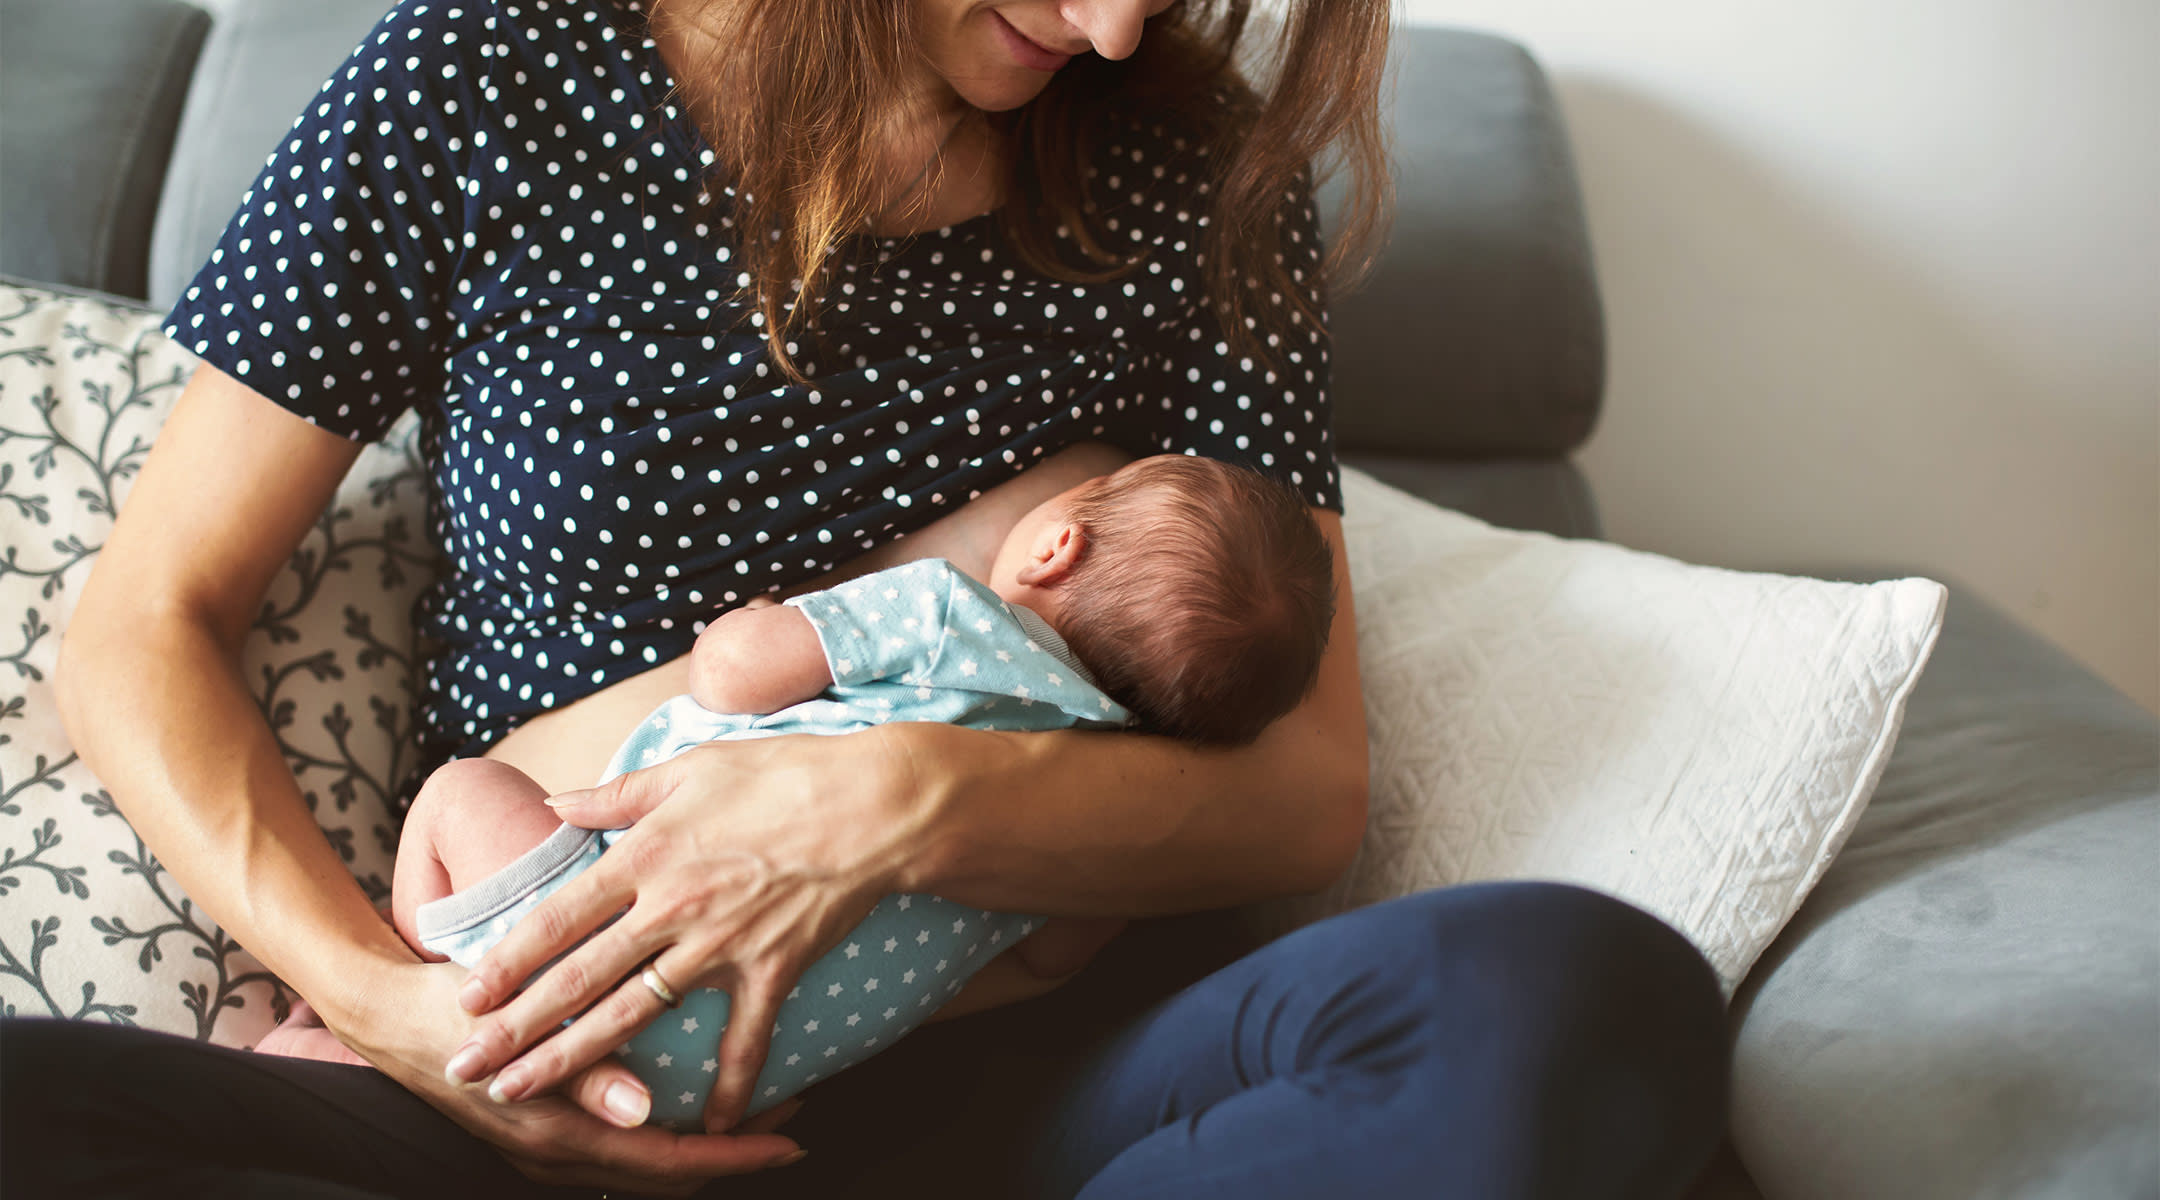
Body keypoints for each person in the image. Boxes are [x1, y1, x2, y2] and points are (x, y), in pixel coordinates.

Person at [8, 0, 1730, 1196]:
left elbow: (1302, 796)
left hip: (1017, 1095)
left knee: (1565, 1003)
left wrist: (894, 799)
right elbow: (140, 629)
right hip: (543, 1081)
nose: (1119, 33)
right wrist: (393, 1015)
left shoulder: (1200, 177)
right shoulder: (496, 69)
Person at [258, 454, 1338, 1133]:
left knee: (462, 792)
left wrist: (772, 613)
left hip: (584, 923)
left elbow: (729, 677)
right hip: (721, 1085)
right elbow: (1045, 965)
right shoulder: (1091, 833)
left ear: (1058, 541)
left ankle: (406, 990)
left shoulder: (947, 614)